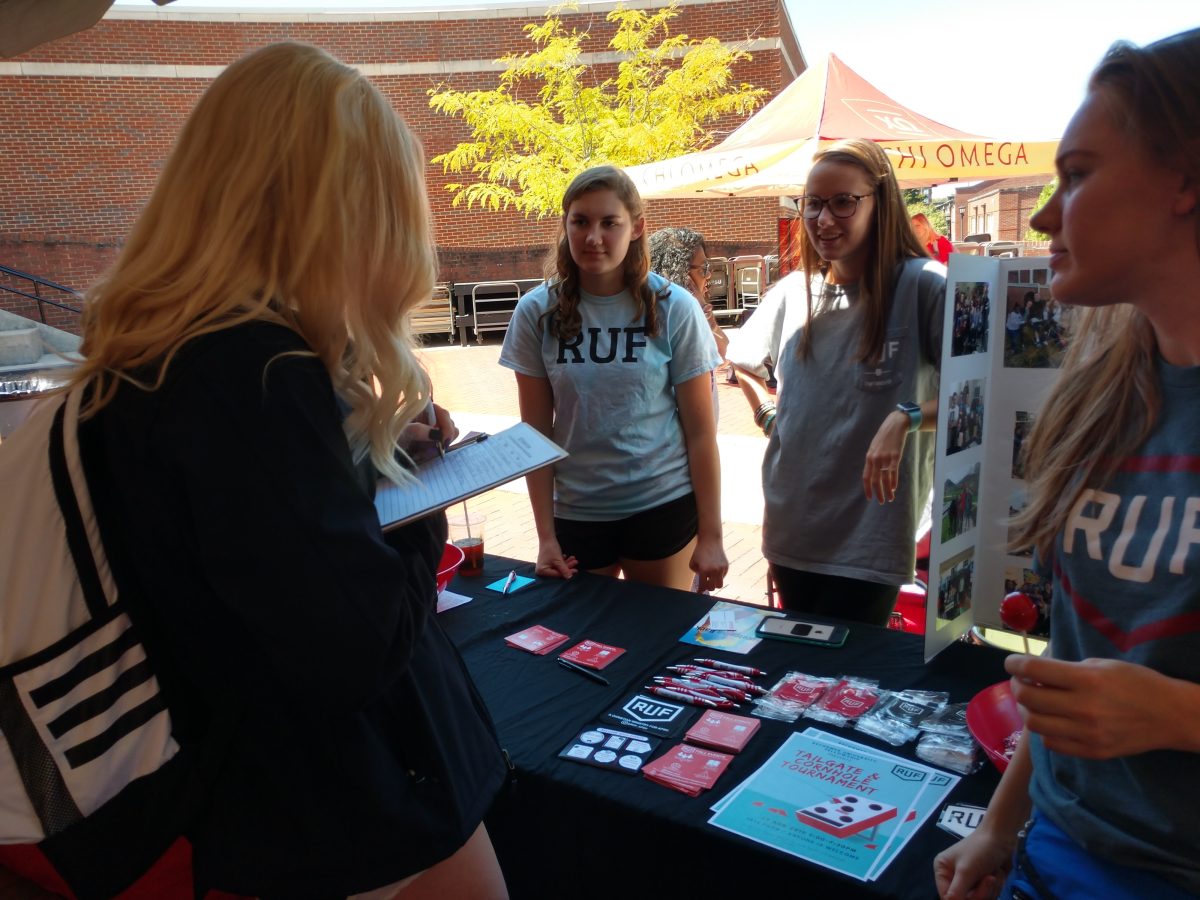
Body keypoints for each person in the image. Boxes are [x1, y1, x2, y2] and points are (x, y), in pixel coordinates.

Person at [67, 42, 509, 899]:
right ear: (330, 205)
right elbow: (359, 644)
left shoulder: (148, 356)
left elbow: (270, 556)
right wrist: (420, 495)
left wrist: (378, 463)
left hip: (274, 796)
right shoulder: (252, 367)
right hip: (343, 806)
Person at [935, 28, 1200, 900]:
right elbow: (1070, 677)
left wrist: (1176, 716)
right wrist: (1002, 829)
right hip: (1054, 852)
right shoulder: (1103, 394)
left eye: (1079, 174)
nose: (1046, 216)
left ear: (1187, 182)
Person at [726, 138, 945, 625]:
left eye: (844, 202)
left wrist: (906, 416)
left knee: (850, 678)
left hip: (871, 536)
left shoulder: (925, 285)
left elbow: (980, 398)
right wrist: (767, 413)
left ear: (880, 202)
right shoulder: (792, 292)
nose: (823, 220)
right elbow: (739, 362)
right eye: (813, 204)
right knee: (800, 675)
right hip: (792, 526)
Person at [499, 166, 728, 592]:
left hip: (661, 508)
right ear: (565, 224)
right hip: (576, 513)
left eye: (610, 223)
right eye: (580, 221)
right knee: (579, 647)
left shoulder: (673, 307)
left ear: (637, 227)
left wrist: (712, 536)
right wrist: (545, 537)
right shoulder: (537, 312)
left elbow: (701, 433)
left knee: (658, 642)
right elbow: (535, 435)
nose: (593, 237)